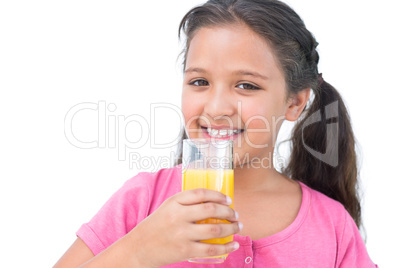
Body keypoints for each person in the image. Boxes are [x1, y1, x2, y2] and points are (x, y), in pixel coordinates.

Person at [54, 0, 377, 267]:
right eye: (199, 82)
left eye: (246, 85)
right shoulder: (143, 201)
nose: (217, 107)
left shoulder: (332, 226)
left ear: (295, 102)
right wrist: (138, 251)